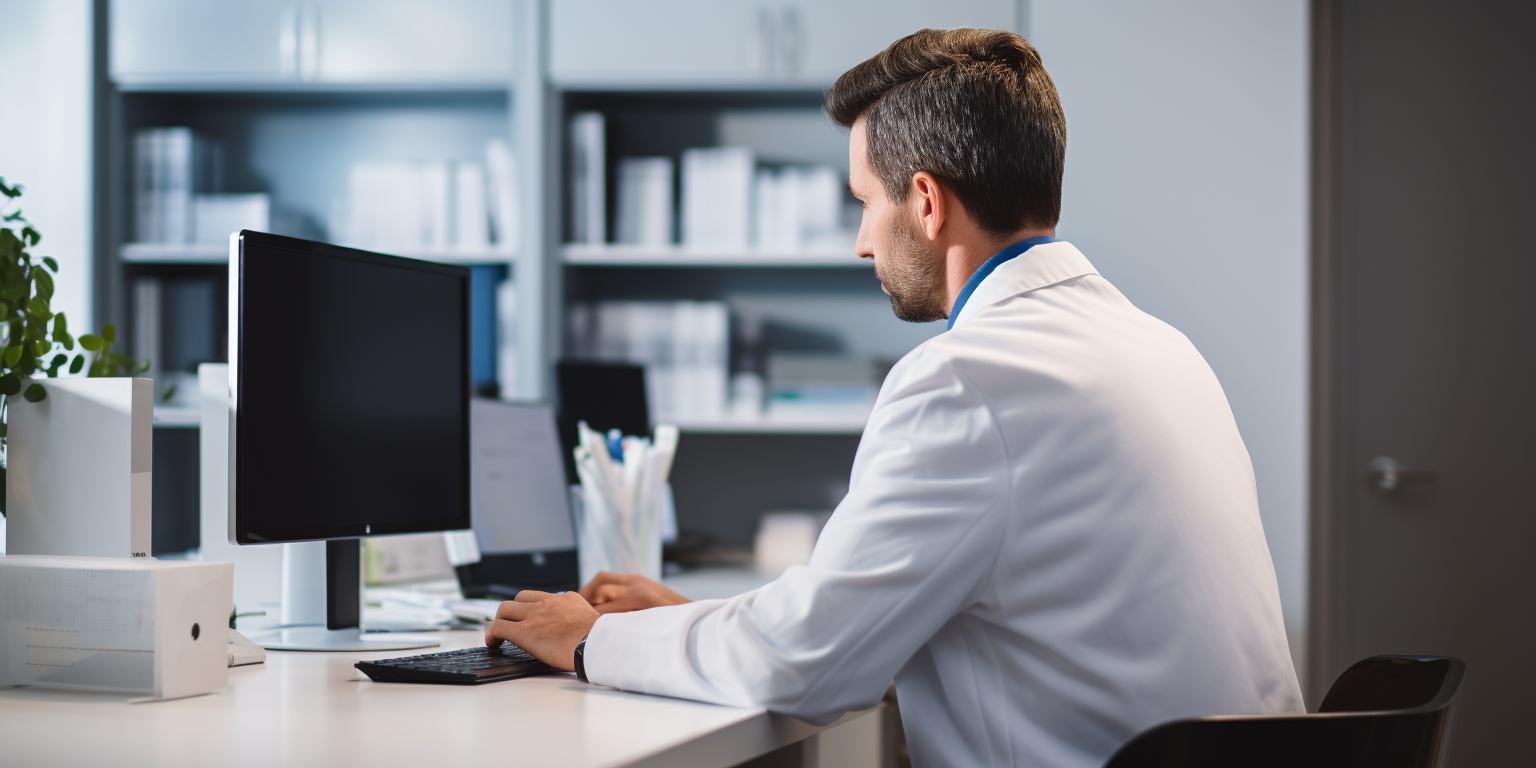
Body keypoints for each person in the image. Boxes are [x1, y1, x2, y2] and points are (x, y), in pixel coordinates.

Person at [487, 28, 1303, 767]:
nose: (861, 241)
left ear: (924, 201)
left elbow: (802, 668)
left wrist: (595, 640)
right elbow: (878, 628)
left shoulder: (969, 377)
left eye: (865, 203)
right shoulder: (1163, 349)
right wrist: (691, 622)